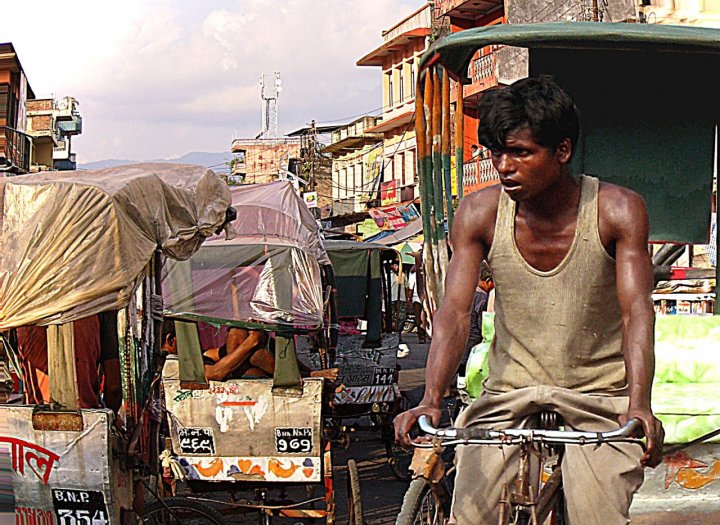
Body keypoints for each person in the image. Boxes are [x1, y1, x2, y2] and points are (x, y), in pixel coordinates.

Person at [394, 76, 663, 525]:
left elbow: (637, 312)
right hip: (508, 395)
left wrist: (639, 404)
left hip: (598, 398)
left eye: (520, 152)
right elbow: (455, 313)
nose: (504, 166)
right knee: (472, 515)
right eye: (496, 153)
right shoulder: (479, 212)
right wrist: (431, 397)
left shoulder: (617, 210)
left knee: (599, 517)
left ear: (562, 151)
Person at [15, 312, 122, 413]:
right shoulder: (101, 302)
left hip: (33, 419)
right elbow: (114, 388)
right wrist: (112, 416)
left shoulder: (20, 305)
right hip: (86, 419)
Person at [459, 261, 493, 374]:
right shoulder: (483, 299)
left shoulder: (465, 294)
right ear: (488, 281)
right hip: (473, 342)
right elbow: (482, 325)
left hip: (460, 339)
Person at [405, 264, 427, 344]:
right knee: (421, 318)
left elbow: (410, 289)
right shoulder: (415, 276)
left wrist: (409, 299)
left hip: (422, 299)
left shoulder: (416, 275)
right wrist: (409, 298)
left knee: (421, 317)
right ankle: (422, 335)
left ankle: (423, 335)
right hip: (419, 298)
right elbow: (410, 288)